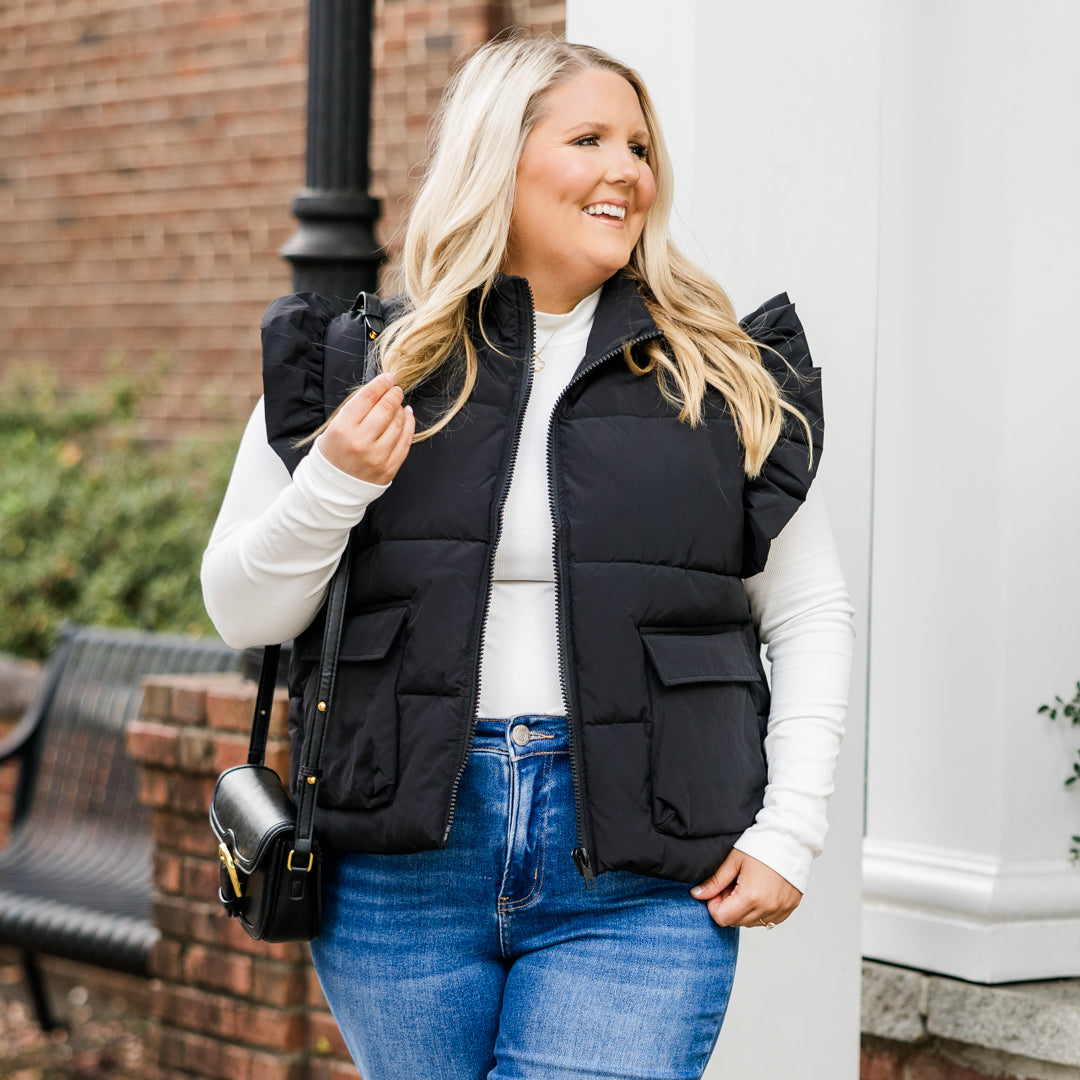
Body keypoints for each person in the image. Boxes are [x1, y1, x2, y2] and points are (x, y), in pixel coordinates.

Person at [202, 30, 854, 1080]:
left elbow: (809, 611)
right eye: (589, 138)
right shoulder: (363, 366)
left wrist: (791, 829)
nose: (626, 173)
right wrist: (334, 484)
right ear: (495, 158)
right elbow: (242, 614)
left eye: (639, 147)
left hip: (640, 879)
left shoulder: (723, 376)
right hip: (401, 871)